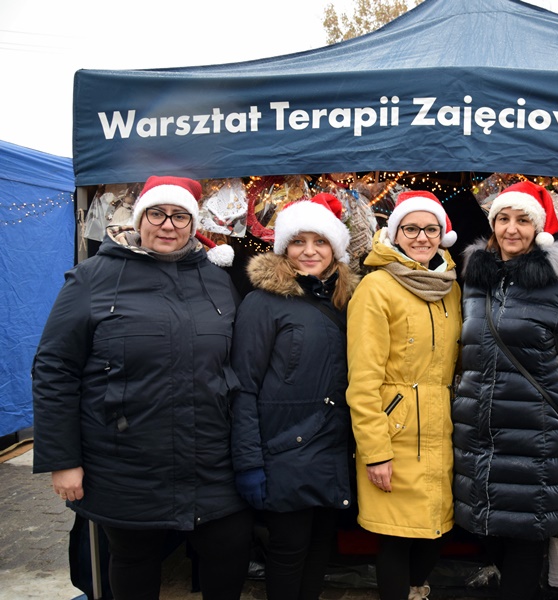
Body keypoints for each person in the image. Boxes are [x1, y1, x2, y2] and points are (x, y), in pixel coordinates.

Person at [32, 175, 253, 600]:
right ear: (140, 217)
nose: (167, 225)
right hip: (126, 462)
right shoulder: (93, 277)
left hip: (211, 459)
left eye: (179, 216)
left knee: (229, 549)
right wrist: (63, 459)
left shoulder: (214, 278)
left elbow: (233, 363)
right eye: (157, 213)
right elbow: (54, 368)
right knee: (134, 559)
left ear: (193, 224)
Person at [452, 181, 558, 600]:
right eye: (503, 218)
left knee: (524, 546)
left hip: (536, 437)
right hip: (479, 437)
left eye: (522, 220)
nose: (511, 229)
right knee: (486, 534)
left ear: (539, 229)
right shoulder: (473, 282)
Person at [230, 194, 358, 600]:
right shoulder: (262, 303)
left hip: (332, 447)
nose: (309, 251)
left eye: (319, 242)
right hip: (285, 450)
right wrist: (249, 462)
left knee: (322, 547)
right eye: (298, 241)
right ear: (284, 248)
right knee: (288, 552)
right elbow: (243, 386)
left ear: (334, 249)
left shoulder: (345, 301)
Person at [346, 190, 462, 600]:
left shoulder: (450, 286)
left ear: (442, 235)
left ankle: (417, 591)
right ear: (395, 233)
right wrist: (375, 449)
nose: (421, 237)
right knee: (395, 538)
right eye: (410, 228)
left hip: (439, 431)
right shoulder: (376, 288)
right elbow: (362, 379)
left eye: (431, 228)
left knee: (434, 532)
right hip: (395, 434)